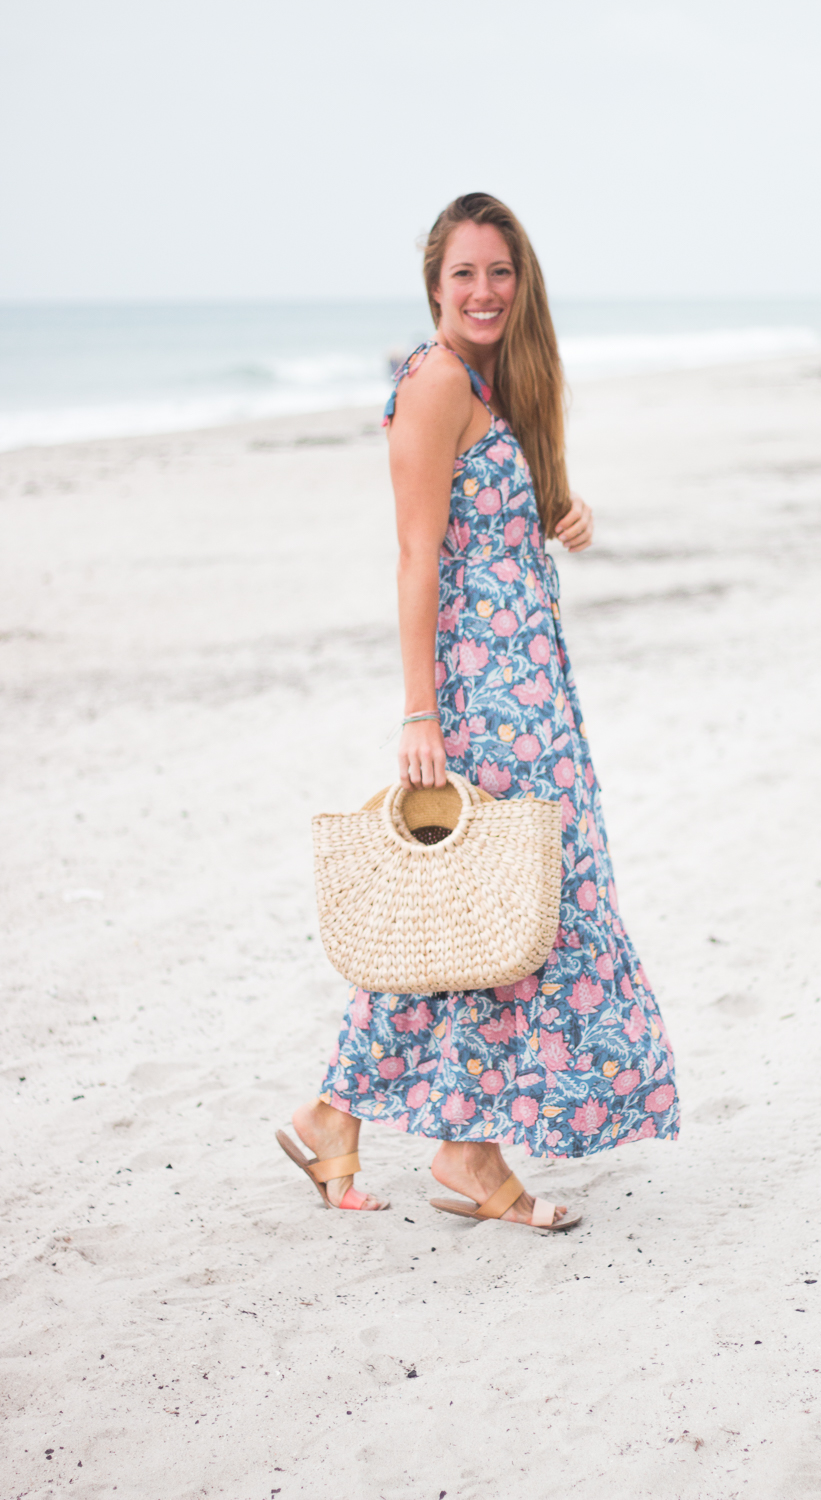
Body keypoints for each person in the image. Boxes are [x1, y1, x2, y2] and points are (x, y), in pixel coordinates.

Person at [278, 193, 678, 1230]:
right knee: (502, 910)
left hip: (533, 688)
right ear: (434, 285)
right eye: (464, 273)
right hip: (482, 695)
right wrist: (420, 714)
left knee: (497, 914)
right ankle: (397, 1131)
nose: (484, 290)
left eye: (499, 271)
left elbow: (493, 520)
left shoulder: (498, 383)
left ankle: (417, 1138)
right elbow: (417, 554)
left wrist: (562, 509)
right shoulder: (435, 380)